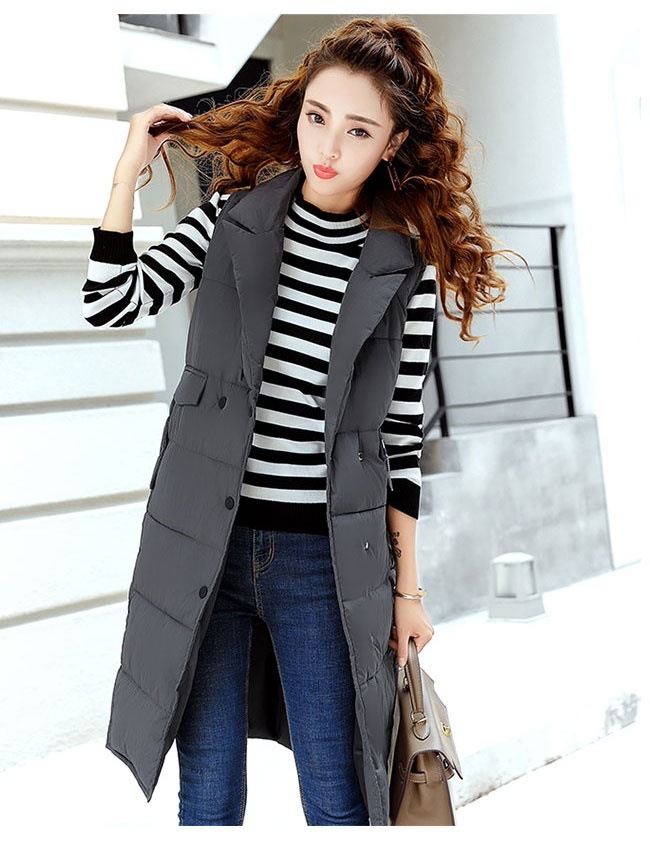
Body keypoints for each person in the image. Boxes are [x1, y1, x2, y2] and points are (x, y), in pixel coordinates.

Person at [84, 16, 522, 826]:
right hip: (205, 545)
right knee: (207, 793)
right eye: (317, 116)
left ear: (392, 144)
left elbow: (399, 442)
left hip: (322, 559)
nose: (327, 145)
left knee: (339, 792)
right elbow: (111, 300)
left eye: (358, 130)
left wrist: (409, 591)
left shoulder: (403, 267)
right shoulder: (233, 218)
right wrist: (125, 176)